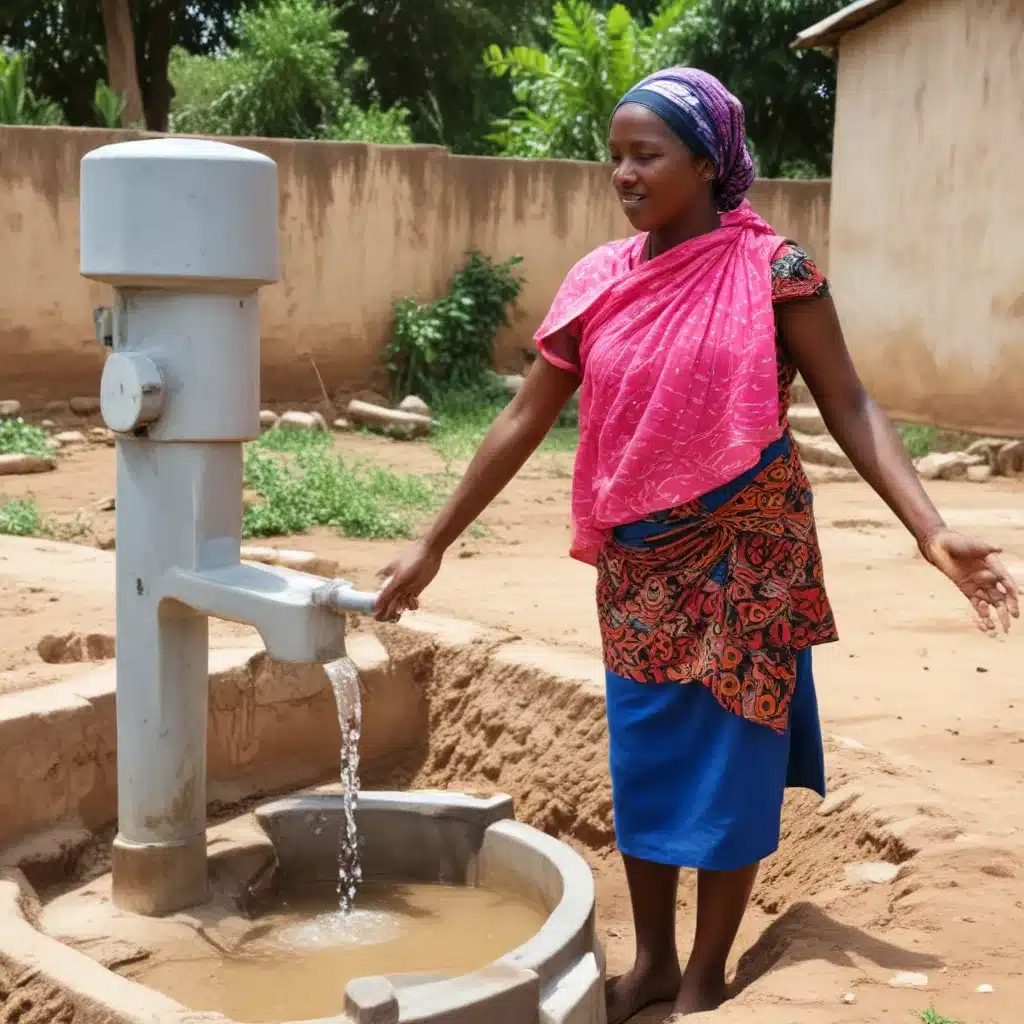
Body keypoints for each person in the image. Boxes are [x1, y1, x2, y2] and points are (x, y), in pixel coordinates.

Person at [374, 67, 1019, 1020]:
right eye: (615, 158)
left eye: (647, 155)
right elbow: (523, 416)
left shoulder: (775, 270)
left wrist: (932, 531)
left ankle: (710, 972)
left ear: (708, 163)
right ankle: (655, 963)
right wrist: (432, 544)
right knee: (643, 760)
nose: (625, 175)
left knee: (733, 761)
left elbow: (847, 400)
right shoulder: (599, 279)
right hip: (640, 560)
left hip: (749, 550)